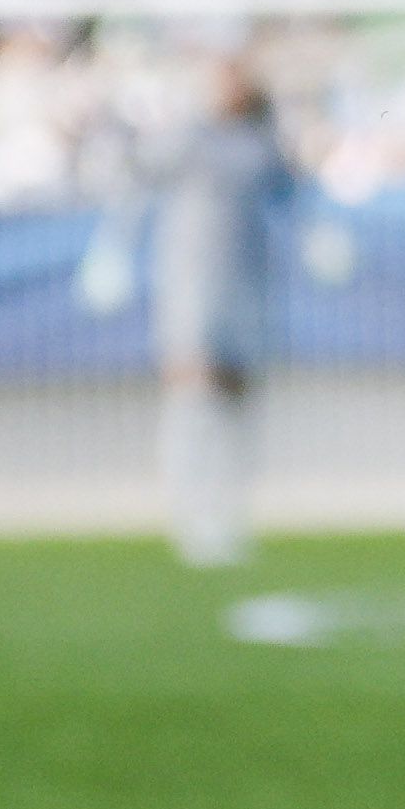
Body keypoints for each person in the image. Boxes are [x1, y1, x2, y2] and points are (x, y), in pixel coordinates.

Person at [152, 51, 298, 569]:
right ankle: (188, 514)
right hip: (193, 285)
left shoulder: (262, 141)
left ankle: (229, 512)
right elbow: (139, 179)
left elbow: (292, 190)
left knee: (241, 398)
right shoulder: (188, 138)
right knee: (193, 393)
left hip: (248, 285)